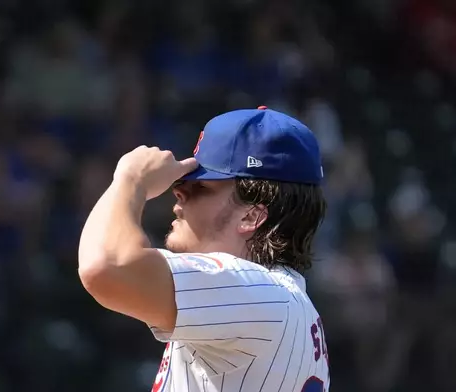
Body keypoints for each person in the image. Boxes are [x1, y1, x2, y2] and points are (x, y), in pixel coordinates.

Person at [78, 106, 330, 391]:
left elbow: (106, 266)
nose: (178, 191)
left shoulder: (258, 295)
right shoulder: (277, 301)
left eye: (201, 187)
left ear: (251, 216)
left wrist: (130, 180)